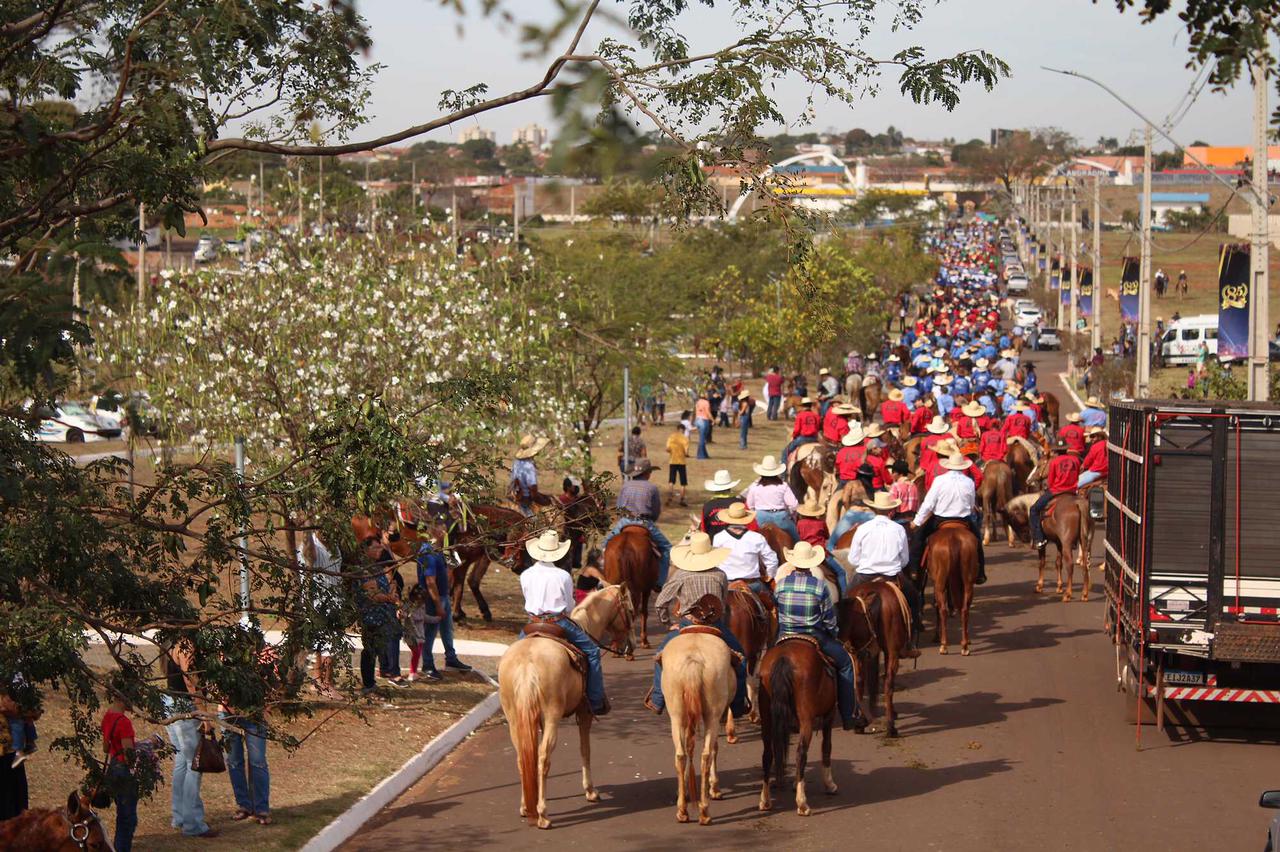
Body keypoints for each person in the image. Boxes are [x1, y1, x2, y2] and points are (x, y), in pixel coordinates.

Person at [645, 533, 750, 718]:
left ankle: (657, 699)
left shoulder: (681, 575)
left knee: (660, 658)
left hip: (687, 624)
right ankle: (739, 704)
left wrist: (668, 623)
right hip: (715, 625)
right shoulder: (720, 574)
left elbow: (660, 602)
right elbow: (723, 602)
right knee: (741, 659)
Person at [775, 541, 865, 731]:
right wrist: (833, 634)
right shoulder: (819, 586)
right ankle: (849, 714)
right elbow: (829, 618)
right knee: (846, 664)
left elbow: (778, 608)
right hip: (814, 635)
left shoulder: (781, 584)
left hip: (785, 634)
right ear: (811, 564)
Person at [518, 531, 609, 715]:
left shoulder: (525, 574)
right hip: (558, 622)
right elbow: (569, 605)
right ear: (557, 552)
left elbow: (527, 598)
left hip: (532, 622)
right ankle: (595, 699)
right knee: (592, 651)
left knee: (511, 656)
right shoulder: (563, 575)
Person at [847, 492, 922, 655]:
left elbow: (853, 559)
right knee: (914, 600)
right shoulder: (899, 529)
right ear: (891, 511)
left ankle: (845, 641)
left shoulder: (862, 528)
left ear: (874, 509)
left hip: (864, 576)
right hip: (892, 576)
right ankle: (909, 642)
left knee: (845, 602)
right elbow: (904, 560)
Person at [162, 653, 217, 839]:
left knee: (181, 761)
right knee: (194, 764)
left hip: (169, 700)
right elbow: (190, 679)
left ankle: (179, 816)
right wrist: (203, 713)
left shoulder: (168, 641)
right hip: (184, 704)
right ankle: (192, 823)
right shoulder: (185, 644)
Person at [910, 453, 986, 585]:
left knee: (918, 538)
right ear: (962, 467)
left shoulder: (939, 480)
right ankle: (980, 572)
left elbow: (928, 503)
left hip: (940, 519)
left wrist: (916, 521)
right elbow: (971, 504)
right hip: (963, 520)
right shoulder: (969, 481)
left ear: (948, 466)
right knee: (977, 542)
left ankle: (915, 570)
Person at [601, 458, 672, 587]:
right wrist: (652, 520)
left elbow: (619, 508)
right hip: (644, 522)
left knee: (605, 544)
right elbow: (656, 510)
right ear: (647, 473)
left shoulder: (625, 486)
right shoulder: (652, 488)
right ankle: (660, 582)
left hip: (625, 521)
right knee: (667, 548)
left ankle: (603, 579)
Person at [355, 535, 403, 695]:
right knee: (369, 650)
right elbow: (372, 595)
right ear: (366, 550)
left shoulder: (378, 567)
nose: (379, 551)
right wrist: (389, 597)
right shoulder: (364, 570)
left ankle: (372, 683)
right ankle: (368, 684)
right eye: (375, 548)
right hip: (370, 615)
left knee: (376, 649)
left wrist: (392, 591)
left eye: (380, 548)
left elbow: (391, 582)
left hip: (383, 615)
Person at [712, 502, 779, 607]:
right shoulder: (756, 537)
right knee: (773, 606)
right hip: (752, 584)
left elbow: (715, 561)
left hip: (727, 585)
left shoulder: (718, 538)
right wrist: (770, 575)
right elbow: (772, 560)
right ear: (745, 519)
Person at [102, 686, 139, 851]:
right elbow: (129, 754)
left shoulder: (108, 717)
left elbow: (105, 748)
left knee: (121, 813)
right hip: (124, 770)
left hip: (113, 765)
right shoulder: (124, 722)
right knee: (127, 818)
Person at [1030, 443, 1082, 549]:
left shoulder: (1054, 462)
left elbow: (1050, 481)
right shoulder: (1076, 460)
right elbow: (1077, 476)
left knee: (1034, 510)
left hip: (1056, 491)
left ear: (1055, 451)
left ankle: (1039, 539)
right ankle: (1075, 540)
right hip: (1072, 491)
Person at [744, 455, 799, 541]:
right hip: (780, 517)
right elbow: (794, 505)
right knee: (796, 537)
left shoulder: (755, 486)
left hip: (761, 517)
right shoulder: (783, 486)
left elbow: (750, 505)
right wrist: (792, 514)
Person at [509, 433, 549, 517]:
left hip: (516, 497)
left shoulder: (516, 463)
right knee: (536, 522)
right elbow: (533, 491)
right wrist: (545, 502)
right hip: (525, 499)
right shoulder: (529, 467)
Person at [700, 470, 743, 537]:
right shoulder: (740, 504)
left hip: (714, 545)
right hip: (737, 544)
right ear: (730, 487)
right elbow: (751, 526)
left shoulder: (707, 506)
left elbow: (703, 529)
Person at [781, 397, 820, 464]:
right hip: (814, 439)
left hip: (803, 438)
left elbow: (797, 430)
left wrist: (794, 436)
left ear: (802, 406)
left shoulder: (800, 415)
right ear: (810, 406)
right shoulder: (816, 416)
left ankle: (783, 474)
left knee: (785, 453)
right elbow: (817, 427)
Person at [665, 421, 689, 506]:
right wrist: (685, 454)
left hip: (673, 461)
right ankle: (682, 499)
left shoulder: (671, 437)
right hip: (682, 462)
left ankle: (669, 497)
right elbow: (686, 452)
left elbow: (667, 449)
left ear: (677, 429)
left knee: (671, 481)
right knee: (683, 482)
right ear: (684, 430)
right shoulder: (685, 438)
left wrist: (673, 451)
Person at [694, 392, 713, 459]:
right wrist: (713, 420)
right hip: (704, 420)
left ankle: (704, 454)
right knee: (702, 439)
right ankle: (701, 455)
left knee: (702, 438)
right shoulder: (706, 402)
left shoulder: (698, 402)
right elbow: (707, 412)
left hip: (698, 419)